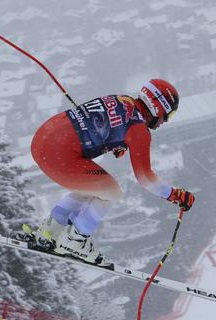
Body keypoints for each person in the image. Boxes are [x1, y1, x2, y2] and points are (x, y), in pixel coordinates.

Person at [30, 79, 195, 267]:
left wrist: (114, 141)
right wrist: (175, 195)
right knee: (111, 191)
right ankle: (74, 241)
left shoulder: (122, 100)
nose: (164, 122)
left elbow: (103, 122)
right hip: (58, 155)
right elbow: (145, 178)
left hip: (42, 141)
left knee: (93, 186)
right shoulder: (139, 130)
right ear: (158, 107)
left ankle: (51, 230)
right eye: (168, 115)